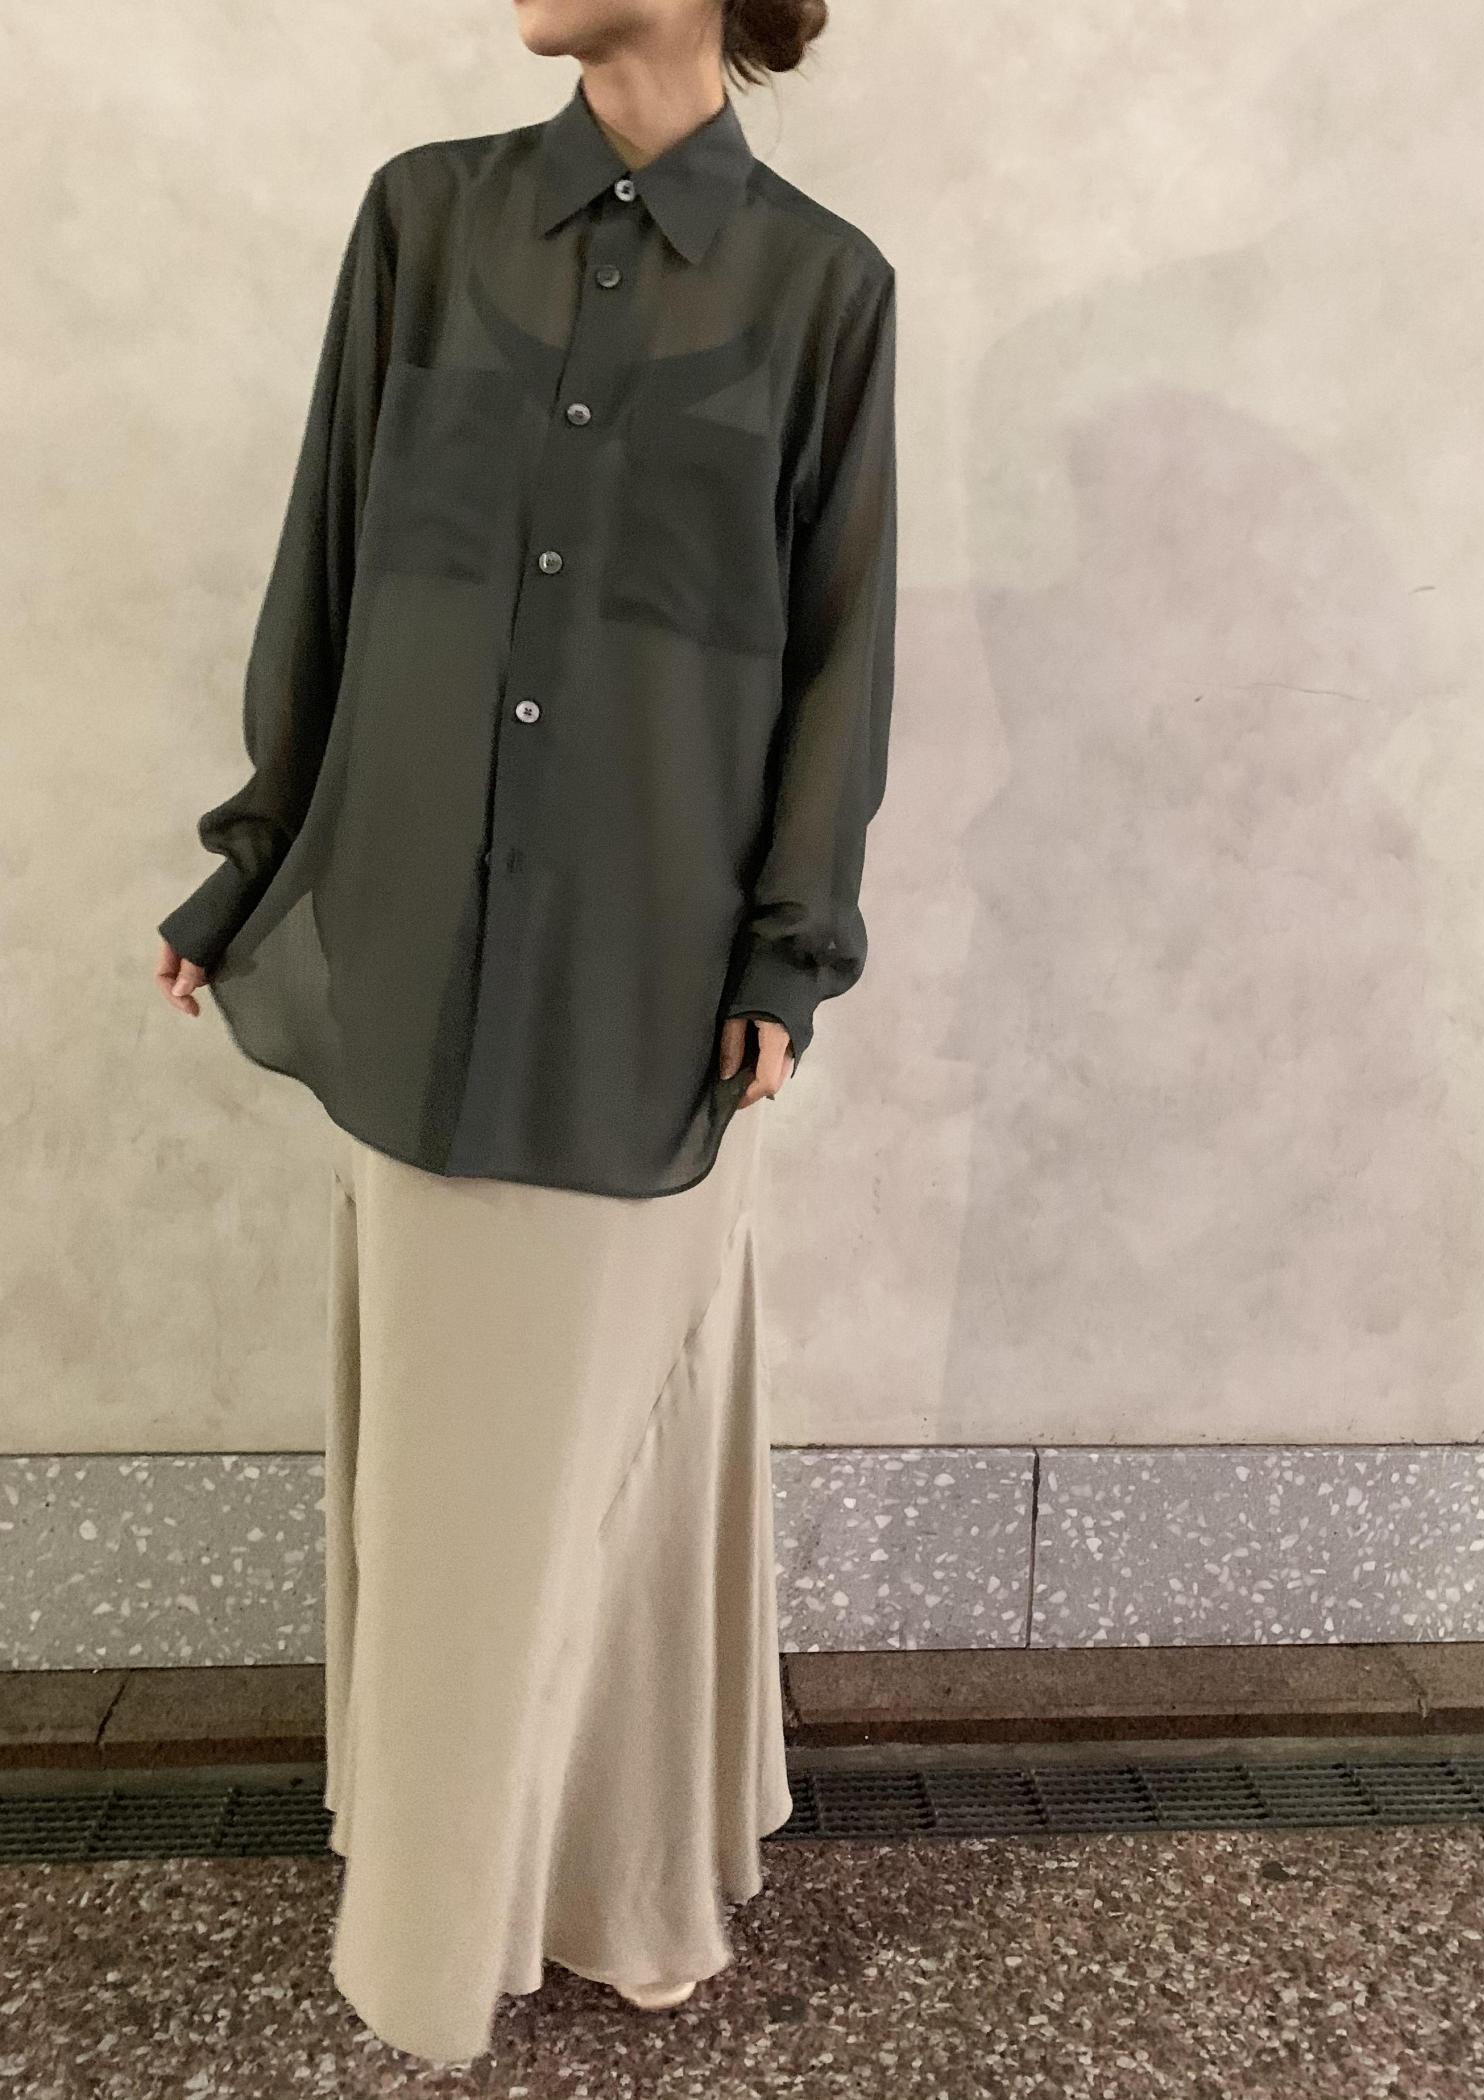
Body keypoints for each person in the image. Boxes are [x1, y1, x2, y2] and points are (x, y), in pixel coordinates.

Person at [153, 0, 897, 2069]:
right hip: (415, 951)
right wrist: (255, 855)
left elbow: (841, 649)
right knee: (456, 1464)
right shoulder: (424, 223)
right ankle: (440, 1898)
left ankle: (613, 1877)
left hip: (651, 978)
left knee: (615, 1457)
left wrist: (788, 954)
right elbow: (330, 555)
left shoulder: (823, 290)